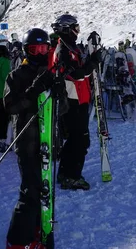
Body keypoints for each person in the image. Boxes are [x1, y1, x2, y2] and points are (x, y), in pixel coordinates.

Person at [3, 28, 55, 249]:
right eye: (35, 49)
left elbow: (60, 112)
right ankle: (17, 240)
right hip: (27, 140)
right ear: (27, 51)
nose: (40, 53)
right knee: (30, 190)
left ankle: (37, 229)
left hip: (47, 140)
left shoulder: (50, 73)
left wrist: (59, 93)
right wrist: (32, 93)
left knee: (44, 190)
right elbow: (10, 106)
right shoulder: (17, 75)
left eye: (44, 48)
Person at [51, 14, 100, 190]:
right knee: (79, 140)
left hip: (80, 98)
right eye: (75, 28)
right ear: (66, 29)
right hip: (72, 101)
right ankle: (71, 176)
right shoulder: (62, 50)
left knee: (76, 139)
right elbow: (75, 74)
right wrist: (92, 64)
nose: (77, 31)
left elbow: (79, 69)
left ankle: (66, 172)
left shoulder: (71, 47)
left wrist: (92, 57)